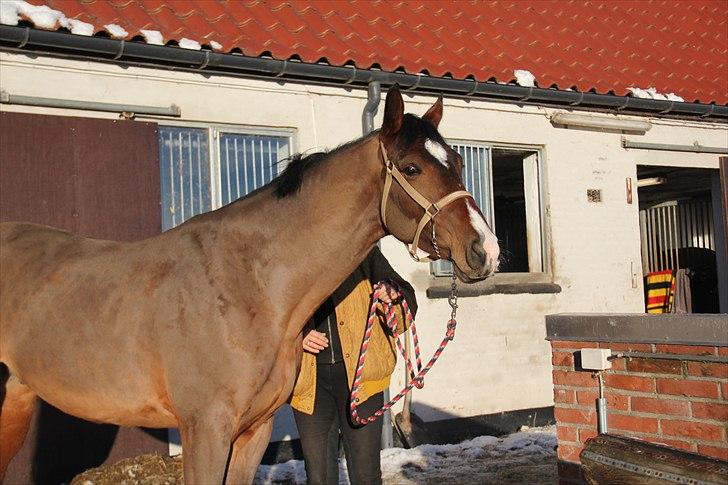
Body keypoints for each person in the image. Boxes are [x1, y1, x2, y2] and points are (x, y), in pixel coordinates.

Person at [290, 246, 417, 485]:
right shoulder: (294, 254)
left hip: (363, 382)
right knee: (318, 478)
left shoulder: (364, 253)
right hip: (309, 384)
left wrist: (392, 299)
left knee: (365, 475)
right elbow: (271, 314)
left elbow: (404, 311)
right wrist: (297, 336)